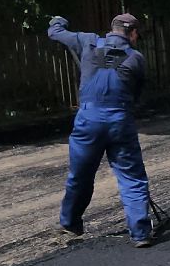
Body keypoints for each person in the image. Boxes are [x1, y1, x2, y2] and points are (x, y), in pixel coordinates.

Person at [48, 13, 156, 247]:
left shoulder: (87, 41)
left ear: (112, 28)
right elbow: (137, 95)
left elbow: (55, 33)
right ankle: (140, 233)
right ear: (133, 33)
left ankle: (70, 225)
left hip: (88, 121)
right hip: (120, 120)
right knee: (132, 177)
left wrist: (58, 21)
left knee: (80, 176)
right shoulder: (136, 58)